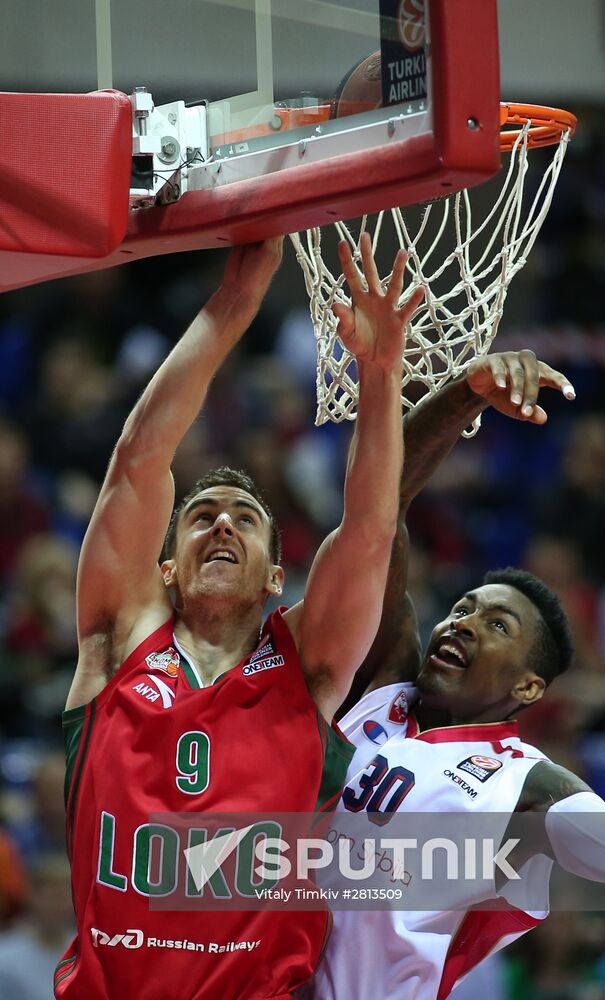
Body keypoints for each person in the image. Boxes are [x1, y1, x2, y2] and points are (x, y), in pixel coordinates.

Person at [55, 234, 424, 1000]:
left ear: (276, 579)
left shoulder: (306, 667)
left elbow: (369, 531)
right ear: (166, 568)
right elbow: (138, 460)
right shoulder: (118, 641)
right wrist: (235, 302)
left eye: (245, 519)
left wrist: (381, 372)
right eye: (201, 517)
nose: (222, 522)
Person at [308, 350, 605, 1000]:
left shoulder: (524, 785)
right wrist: (465, 392)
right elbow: (381, 505)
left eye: (497, 626)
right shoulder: (385, 675)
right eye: (463, 609)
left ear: (528, 688)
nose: (464, 624)